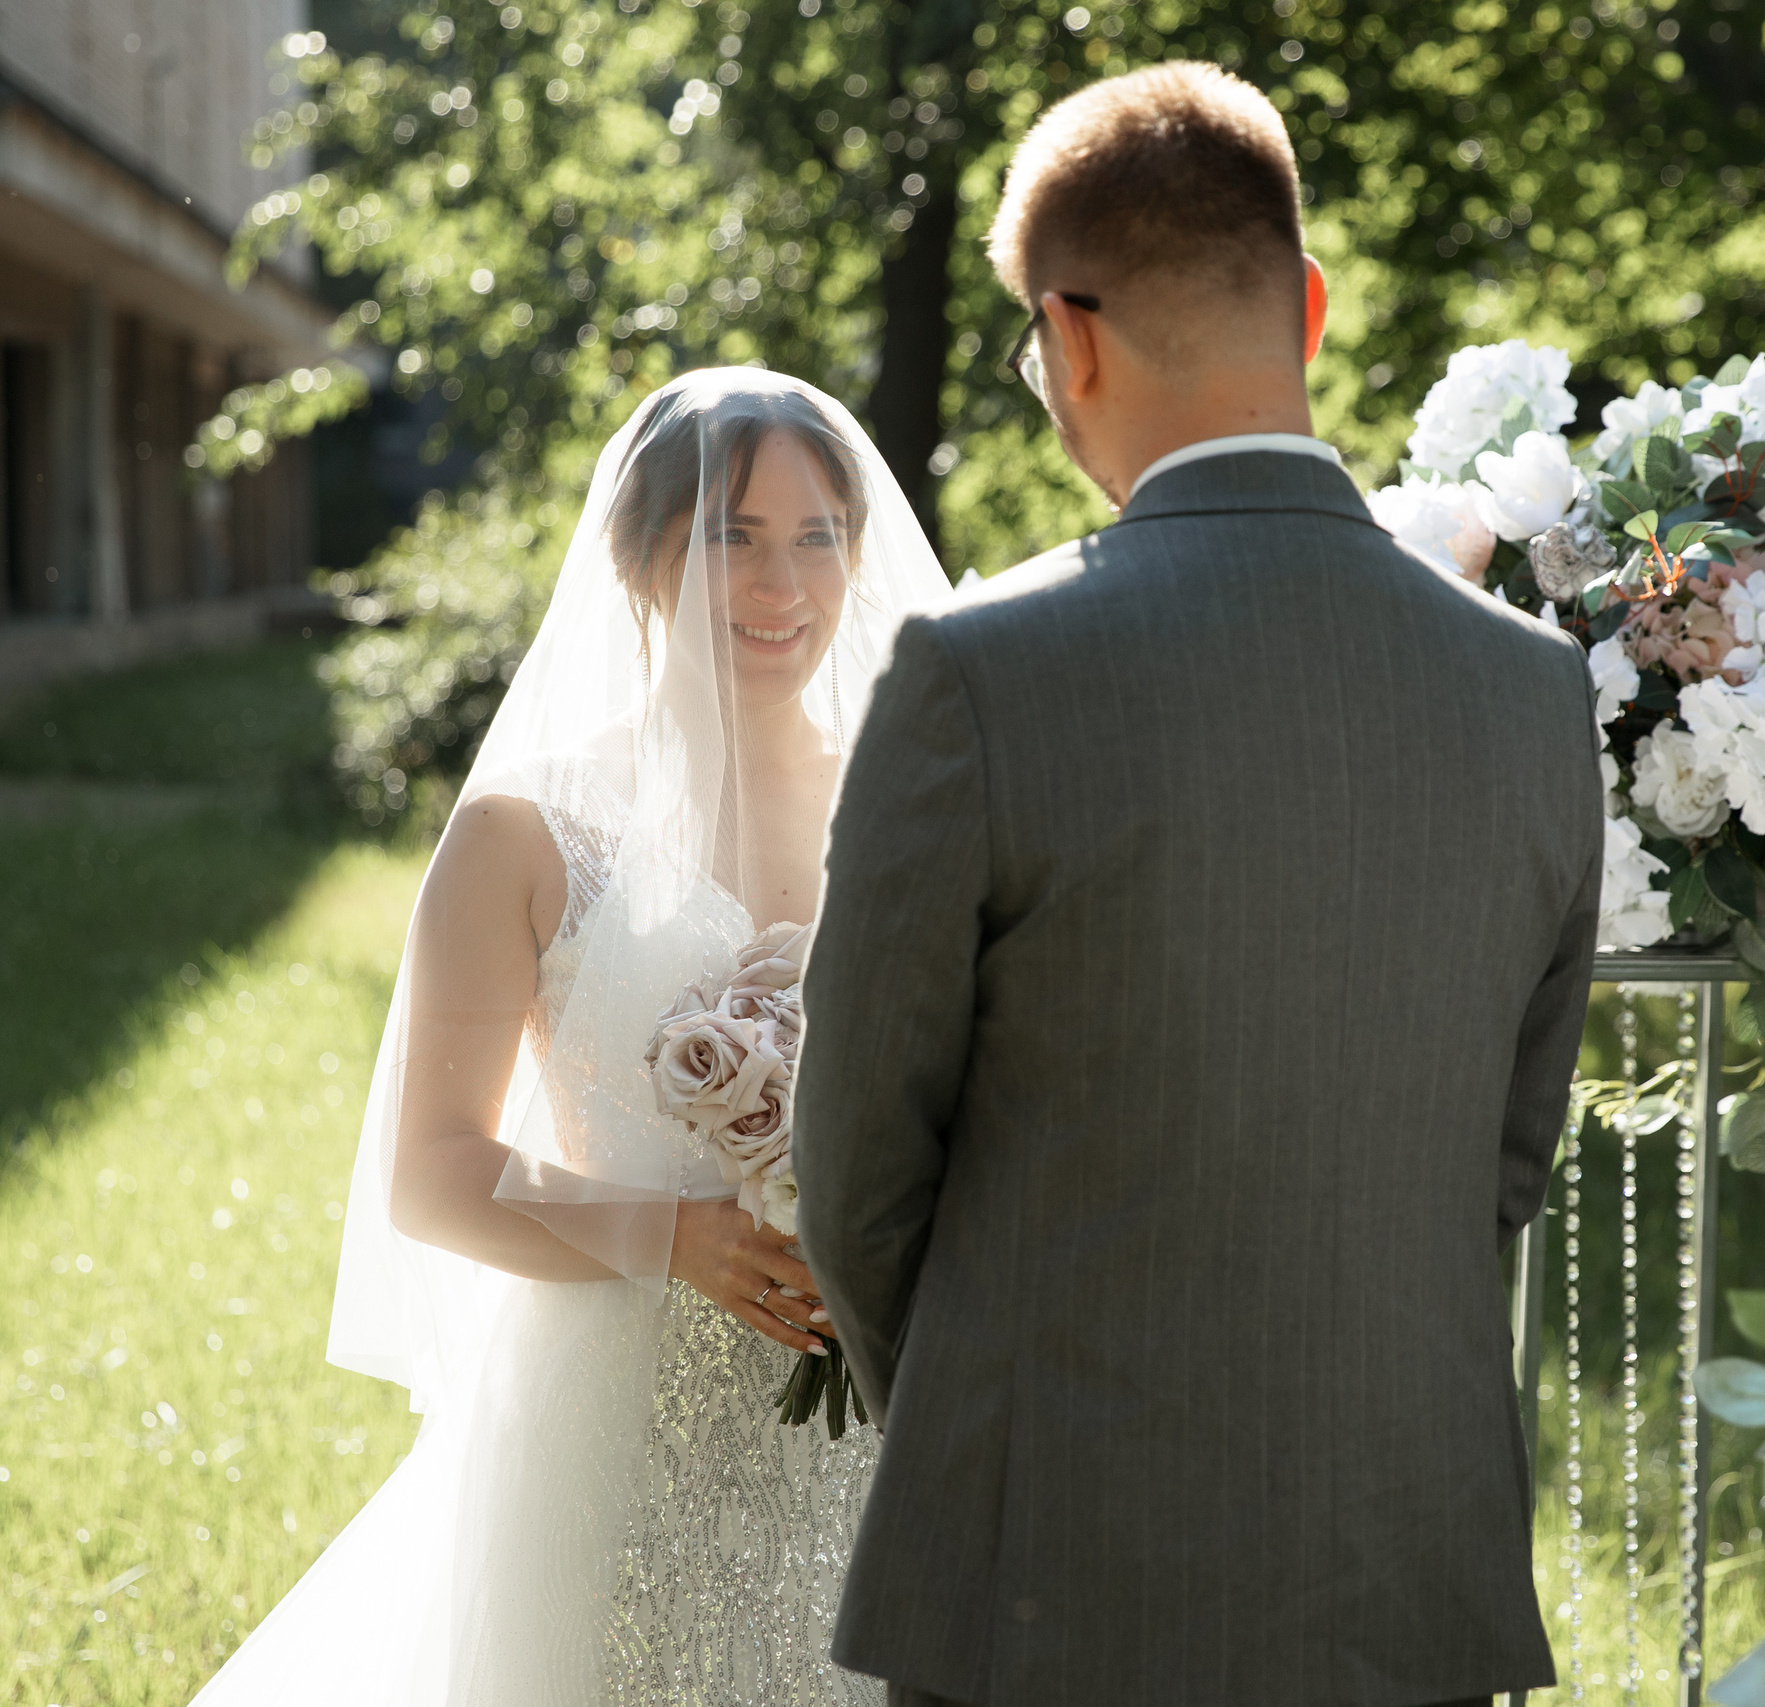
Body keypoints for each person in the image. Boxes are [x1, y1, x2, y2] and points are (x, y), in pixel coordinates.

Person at [794, 64, 1603, 1707]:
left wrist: (991, 1425)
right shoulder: (1532, 690)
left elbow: (859, 1160)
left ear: (1069, 340)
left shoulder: (974, 674)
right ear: (1304, 308)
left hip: (1046, 1594)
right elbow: (1504, 1161)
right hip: (1407, 1576)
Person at [190, 370, 951, 1706]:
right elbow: (429, 1173)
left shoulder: (915, 804)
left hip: (871, 1426)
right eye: (735, 536)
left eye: (819, 536)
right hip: (613, 1425)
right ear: (637, 553)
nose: (786, 585)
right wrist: (673, 1236)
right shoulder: (525, 834)